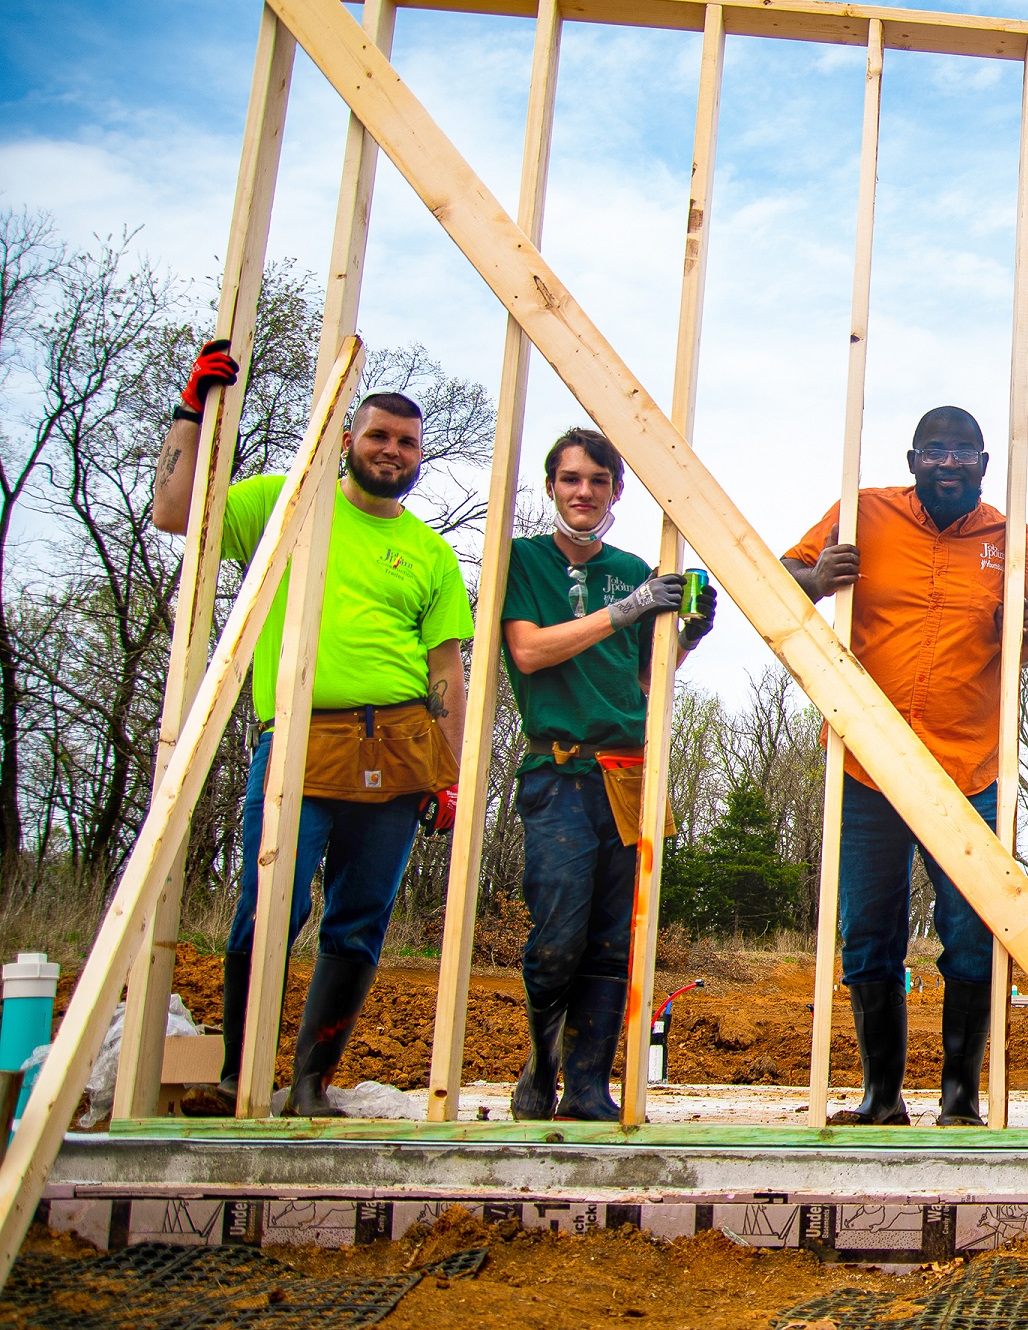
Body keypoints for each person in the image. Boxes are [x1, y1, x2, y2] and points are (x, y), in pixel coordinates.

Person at [152, 341, 471, 1116]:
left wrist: (450, 776)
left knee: (359, 920)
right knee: (270, 905)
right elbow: (171, 512)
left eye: (406, 442)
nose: (391, 451)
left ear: (420, 457)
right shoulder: (286, 505)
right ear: (348, 442)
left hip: (397, 749)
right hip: (298, 739)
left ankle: (310, 1083)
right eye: (377, 437)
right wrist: (191, 411)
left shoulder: (427, 553)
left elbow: (447, 675)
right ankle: (238, 1075)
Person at [784, 406, 1028, 1127]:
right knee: (868, 933)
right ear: (913, 460)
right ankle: (881, 1099)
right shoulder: (863, 514)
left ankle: (962, 1099)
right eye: (935, 452)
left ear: (983, 464)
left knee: (973, 935)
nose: (950, 464)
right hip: (867, 765)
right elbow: (779, 578)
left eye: (964, 453)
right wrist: (817, 579)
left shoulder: (1014, 540)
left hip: (966, 768)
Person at [500, 428, 718, 1121]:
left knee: (612, 938)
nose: (584, 492)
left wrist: (684, 639)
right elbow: (529, 651)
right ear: (551, 487)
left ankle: (589, 1084)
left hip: (629, 777)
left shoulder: (633, 566)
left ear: (616, 491)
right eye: (570, 479)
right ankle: (543, 1062)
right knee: (558, 933)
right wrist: (627, 609)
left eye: (598, 481)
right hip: (559, 770)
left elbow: (641, 684)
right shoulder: (523, 561)